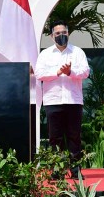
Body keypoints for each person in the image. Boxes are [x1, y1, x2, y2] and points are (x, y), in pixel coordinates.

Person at [35, 20, 90, 180]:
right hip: (53, 101)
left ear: (68, 33)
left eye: (64, 33)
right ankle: (56, 171)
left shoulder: (77, 52)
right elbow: (39, 74)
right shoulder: (45, 54)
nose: (61, 36)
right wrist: (58, 72)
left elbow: (85, 71)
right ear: (52, 36)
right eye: (57, 34)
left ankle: (75, 171)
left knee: (74, 137)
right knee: (55, 138)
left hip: (73, 100)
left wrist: (70, 72)